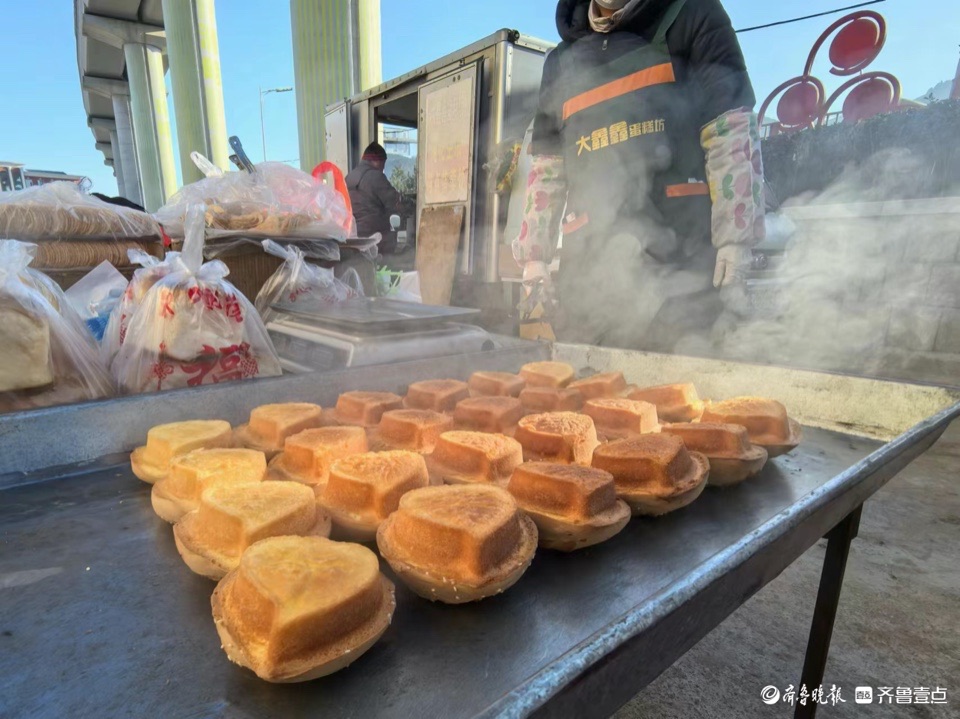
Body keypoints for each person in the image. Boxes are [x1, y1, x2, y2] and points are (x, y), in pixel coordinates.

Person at [513, 0, 765, 351]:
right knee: (584, 391)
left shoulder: (692, 15)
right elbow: (547, 168)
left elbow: (731, 132)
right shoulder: (560, 62)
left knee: (683, 396)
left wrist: (735, 239)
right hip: (589, 280)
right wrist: (535, 259)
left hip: (682, 275)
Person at [345, 142, 402, 252]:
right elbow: (395, 203)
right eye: (383, 165)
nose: (382, 169)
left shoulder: (347, 178)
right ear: (377, 161)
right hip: (376, 241)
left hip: (352, 239)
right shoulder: (376, 176)